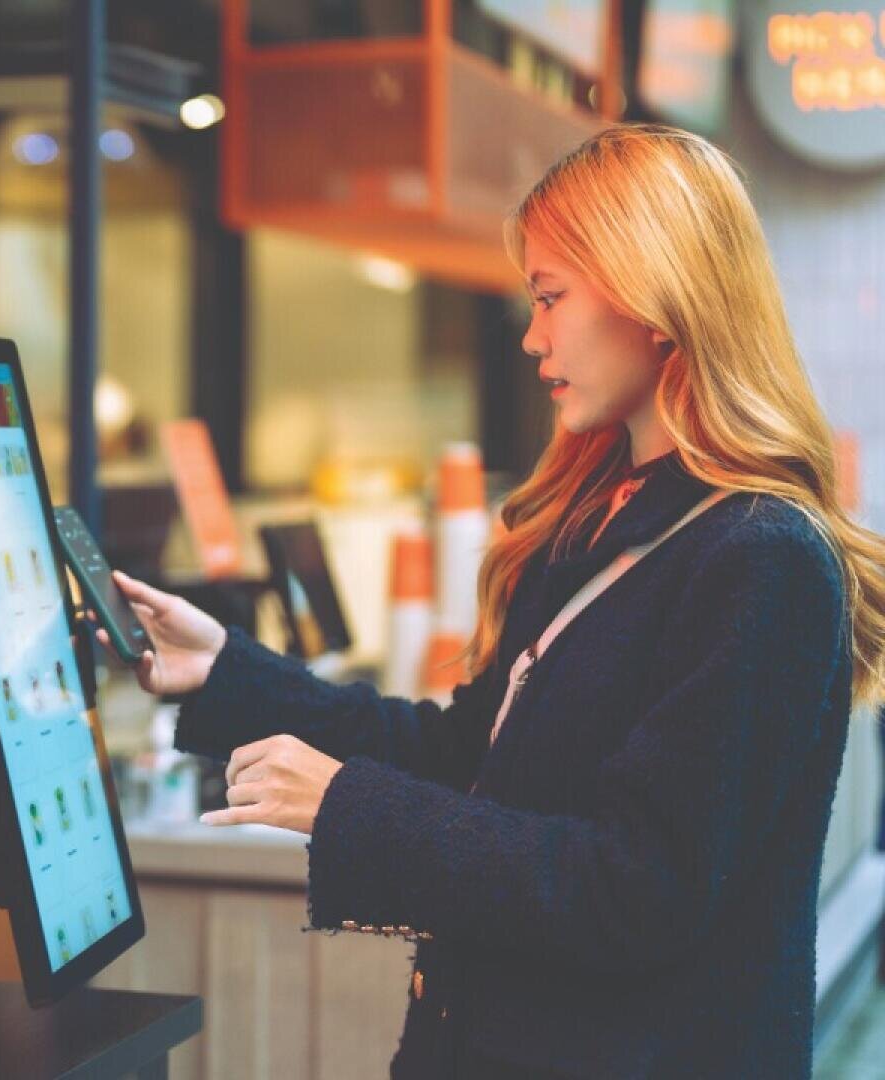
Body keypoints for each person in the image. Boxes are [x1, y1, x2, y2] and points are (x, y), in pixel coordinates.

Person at [101, 124, 885, 1078]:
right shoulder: (604, 519)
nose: (532, 335)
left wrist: (351, 805)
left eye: (551, 297)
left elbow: (637, 892)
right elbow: (464, 752)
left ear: (657, 296)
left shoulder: (761, 560)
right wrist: (225, 669)